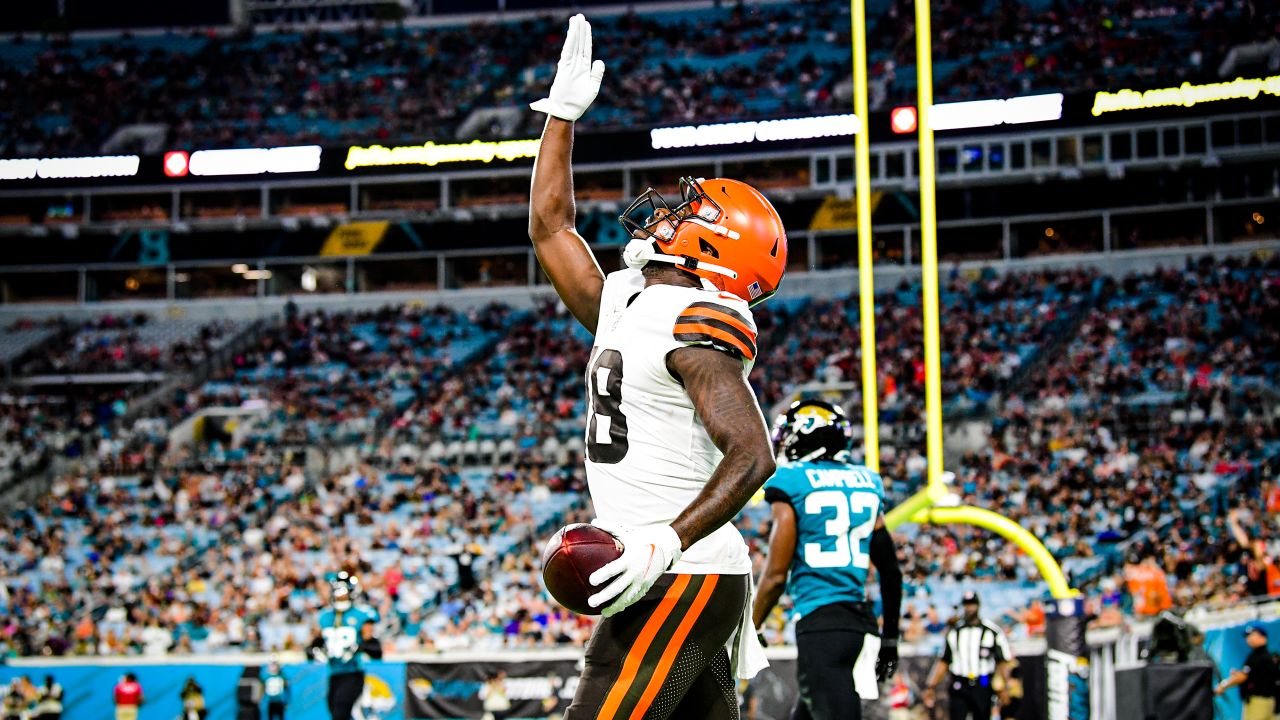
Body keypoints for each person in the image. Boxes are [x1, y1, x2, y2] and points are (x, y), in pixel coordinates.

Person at [528, 14, 787, 720]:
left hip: (684, 573)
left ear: (714, 244)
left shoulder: (696, 323)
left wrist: (663, 540)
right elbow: (552, 227)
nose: (667, 211)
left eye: (687, 210)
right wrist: (559, 118)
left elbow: (753, 453)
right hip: (667, 573)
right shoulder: (631, 298)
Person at [750, 400, 904, 720]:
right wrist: (891, 636)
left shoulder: (791, 480)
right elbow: (890, 570)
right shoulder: (867, 480)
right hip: (861, 624)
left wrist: (753, 625)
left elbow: (777, 573)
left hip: (821, 626)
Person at [923, 593, 1014, 720]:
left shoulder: (991, 631)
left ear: (978, 606)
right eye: (966, 604)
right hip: (960, 681)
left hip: (983, 680)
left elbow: (1002, 662)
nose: (969, 608)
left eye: (972, 604)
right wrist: (931, 686)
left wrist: (1006, 686)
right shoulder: (954, 632)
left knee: (982, 715)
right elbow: (943, 661)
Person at [308, 572, 382, 720]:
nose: (340, 596)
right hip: (334, 673)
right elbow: (312, 647)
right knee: (336, 712)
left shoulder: (361, 614)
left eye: (343, 592)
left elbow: (376, 650)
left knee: (340, 713)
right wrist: (316, 652)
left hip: (353, 672)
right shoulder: (325, 616)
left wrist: (359, 647)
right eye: (337, 592)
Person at [1215, 624, 1277, 720]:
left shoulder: (1258, 657)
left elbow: (1242, 677)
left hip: (1259, 702)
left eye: (1252, 635)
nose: (1249, 639)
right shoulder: (1263, 656)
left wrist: (1223, 685)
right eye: (1247, 636)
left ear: (1262, 636)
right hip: (1269, 701)